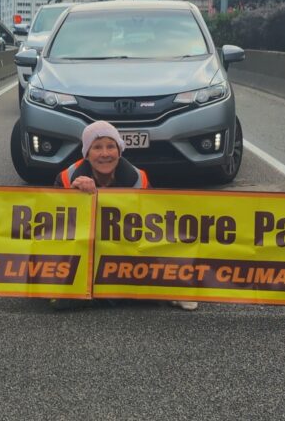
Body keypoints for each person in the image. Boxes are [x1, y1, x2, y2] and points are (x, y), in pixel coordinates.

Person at [53, 120, 197, 311]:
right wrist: (75, 196)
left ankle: (170, 290)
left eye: (111, 146)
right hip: (85, 246)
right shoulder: (66, 177)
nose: (105, 153)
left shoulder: (139, 178)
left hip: (123, 247)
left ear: (119, 152)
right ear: (86, 155)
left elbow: (155, 225)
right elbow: (53, 227)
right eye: (97, 147)